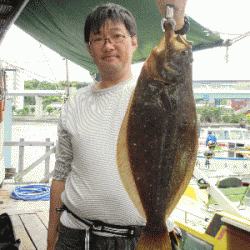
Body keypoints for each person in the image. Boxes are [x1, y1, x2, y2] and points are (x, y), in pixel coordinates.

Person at [47, 1, 189, 249]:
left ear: (134, 42)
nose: (108, 45)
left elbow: (176, 62)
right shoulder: (75, 102)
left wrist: (176, 22)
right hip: (77, 237)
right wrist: (51, 241)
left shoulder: (153, 90)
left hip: (142, 237)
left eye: (117, 36)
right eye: (98, 38)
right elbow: (60, 176)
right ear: (89, 49)